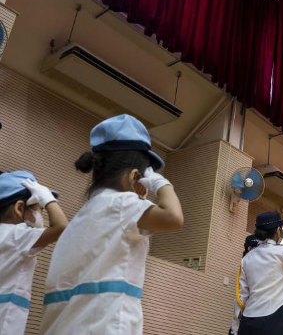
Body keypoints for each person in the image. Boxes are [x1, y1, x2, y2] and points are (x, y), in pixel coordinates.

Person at [40, 114, 184, 335]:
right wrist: (160, 182)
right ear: (135, 177)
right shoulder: (121, 205)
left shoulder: (82, 217)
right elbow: (173, 218)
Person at [0, 170, 68, 335]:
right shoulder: (17, 234)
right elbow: (61, 227)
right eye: (39, 208)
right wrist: (48, 200)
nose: (41, 214)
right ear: (20, 208)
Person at [229, 234, 283, 335]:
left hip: (272, 323)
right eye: (257, 246)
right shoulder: (247, 263)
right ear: (250, 248)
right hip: (253, 322)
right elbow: (240, 301)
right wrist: (235, 330)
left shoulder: (266, 264)